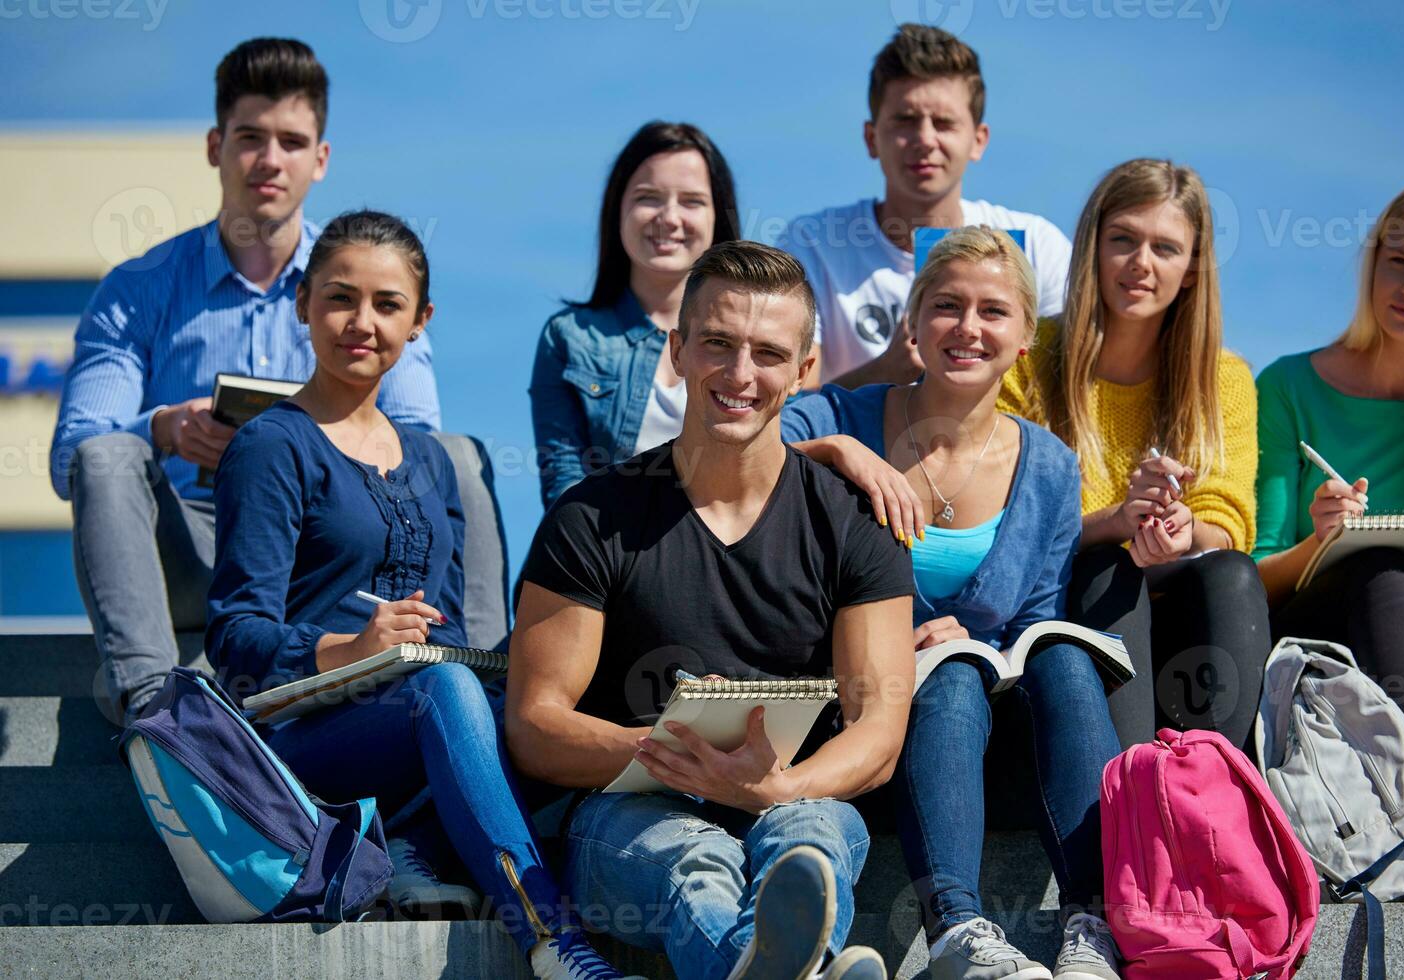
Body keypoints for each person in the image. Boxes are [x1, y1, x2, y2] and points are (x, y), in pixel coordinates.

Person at [206, 211, 625, 980]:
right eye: (339, 298)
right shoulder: (270, 445)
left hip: (430, 714)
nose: (361, 323)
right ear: (302, 302)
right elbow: (234, 641)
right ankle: (551, 936)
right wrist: (352, 649)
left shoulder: (433, 460)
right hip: (303, 738)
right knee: (443, 685)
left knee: (558, 669)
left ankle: (415, 841)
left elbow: (455, 627)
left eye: (387, 304)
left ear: (420, 321)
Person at [506, 241, 913, 980]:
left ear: (804, 369)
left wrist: (776, 787)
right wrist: (673, 758)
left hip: (795, 794)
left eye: (767, 353)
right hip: (624, 814)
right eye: (718, 344)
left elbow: (879, 732)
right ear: (677, 350)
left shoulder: (853, 521)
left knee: (806, 838)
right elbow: (535, 726)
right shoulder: (589, 517)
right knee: (699, 860)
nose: (739, 374)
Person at [49, 38, 440, 728]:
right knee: (107, 455)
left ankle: (483, 679)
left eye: (291, 141)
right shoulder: (137, 290)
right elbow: (71, 455)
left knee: (459, 459)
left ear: (320, 159)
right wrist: (166, 430)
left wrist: (301, 451)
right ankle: (153, 709)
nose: (269, 160)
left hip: (321, 564)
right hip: (189, 550)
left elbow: (420, 447)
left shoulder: (368, 285)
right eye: (250, 137)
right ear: (214, 147)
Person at [784, 226, 1123, 980]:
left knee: (1059, 657)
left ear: (1024, 341)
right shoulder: (840, 417)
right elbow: (736, 449)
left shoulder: (1049, 465)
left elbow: (1034, 611)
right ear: (911, 324)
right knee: (948, 671)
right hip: (863, 704)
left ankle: (1091, 924)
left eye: (993, 312)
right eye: (945, 306)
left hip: (984, 726)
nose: (967, 328)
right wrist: (844, 452)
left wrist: (977, 639)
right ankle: (956, 931)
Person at [999, 158, 1269, 751]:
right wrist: (1118, 522)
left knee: (1230, 571)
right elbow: (1012, 528)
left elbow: (1227, 518)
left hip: (1180, 625)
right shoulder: (1029, 357)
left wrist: (1183, 525)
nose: (1141, 263)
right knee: (1108, 565)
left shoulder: (1224, 377)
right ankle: (1129, 798)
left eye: (1166, 248)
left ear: (1193, 269)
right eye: (1122, 239)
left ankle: (1219, 789)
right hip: (1066, 615)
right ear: (1093, 246)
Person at [1255, 178, 1404, 797]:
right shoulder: (1290, 384)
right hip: (1323, 645)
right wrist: (1322, 539)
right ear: (1371, 265)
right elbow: (1258, 570)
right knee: (1384, 569)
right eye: (1397, 263)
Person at [778, 23, 1072, 390]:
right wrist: (882, 375)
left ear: (978, 140)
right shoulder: (814, 245)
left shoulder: (1036, 245)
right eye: (906, 120)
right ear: (871, 138)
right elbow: (788, 401)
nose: (925, 139)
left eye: (944, 123)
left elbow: (1075, 386)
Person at [531, 121, 791, 510]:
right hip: (609, 558)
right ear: (617, 209)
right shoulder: (569, 338)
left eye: (691, 201)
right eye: (648, 198)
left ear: (718, 216)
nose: (669, 218)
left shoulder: (774, 329)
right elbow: (564, 492)